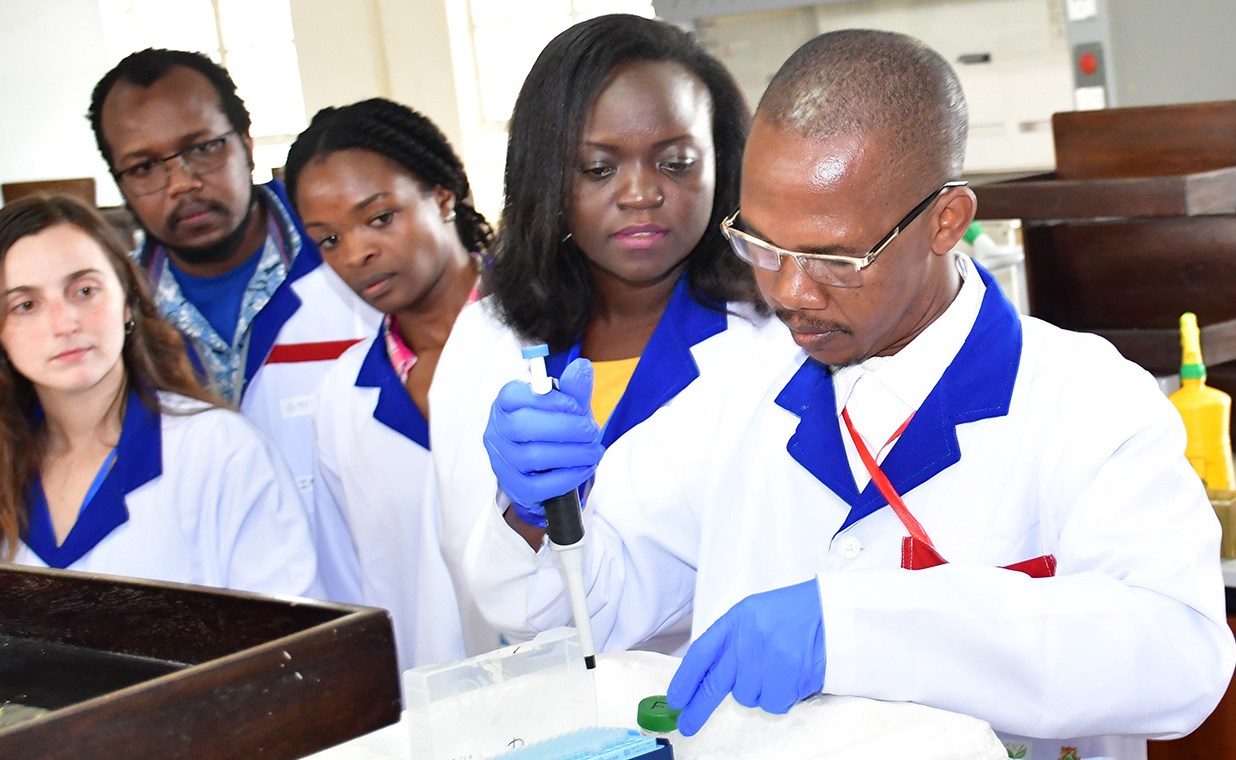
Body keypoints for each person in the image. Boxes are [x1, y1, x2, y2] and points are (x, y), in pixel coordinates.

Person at [460, 29, 1236, 759]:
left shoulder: (1086, 400)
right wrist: (535, 515)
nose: (790, 292)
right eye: (761, 244)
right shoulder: (735, 393)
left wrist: (860, 628)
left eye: (835, 258)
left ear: (946, 222)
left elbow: (1179, 656)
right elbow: (580, 614)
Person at [428, 13, 778, 656]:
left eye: (676, 162)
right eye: (597, 168)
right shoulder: (485, 339)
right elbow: (470, 570)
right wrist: (525, 521)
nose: (640, 194)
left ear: (722, 164)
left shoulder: (774, 340)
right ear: (546, 176)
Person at [0, 195, 320, 597]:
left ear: (128, 300)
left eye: (85, 290)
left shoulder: (221, 450)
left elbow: (290, 631)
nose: (65, 323)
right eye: (26, 305)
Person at [87, 48, 381, 518]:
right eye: (144, 167)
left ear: (246, 143)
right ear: (120, 184)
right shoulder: (105, 318)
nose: (182, 183)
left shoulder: (362, 261)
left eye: (203, 148)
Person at [283, 97, 491, 669]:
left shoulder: (559, 337)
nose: (357, 253)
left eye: (379, 218)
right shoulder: (342, 397)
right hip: (431, 701)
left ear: (443, 196)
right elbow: (350, 587)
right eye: (328, 240)